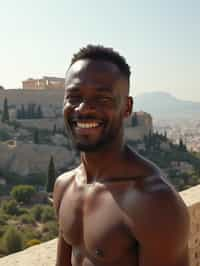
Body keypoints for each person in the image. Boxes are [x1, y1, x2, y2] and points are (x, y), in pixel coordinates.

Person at [53, 45, 190, 266]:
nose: (84, 109)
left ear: (126, 107)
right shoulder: (63, 186)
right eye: (74, 96)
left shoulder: (154, 203)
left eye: (102, 99)